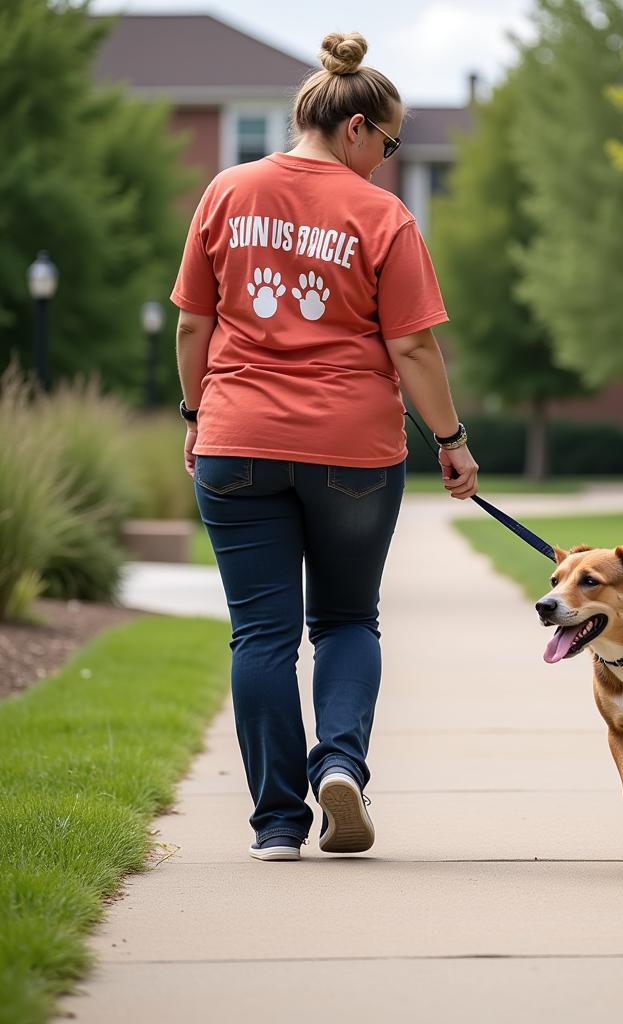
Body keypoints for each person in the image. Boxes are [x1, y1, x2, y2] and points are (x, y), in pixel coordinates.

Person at [171, 31, 479, 862]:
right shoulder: (383, 215)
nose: (386, 158)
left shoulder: (227, 190)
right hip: (352, 449)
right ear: (355, 129)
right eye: (388, 141)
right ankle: (339, 763)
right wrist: (451, 440)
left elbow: (194, 322)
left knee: (260, 635)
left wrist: (198, 416)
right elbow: (413, 348)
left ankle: (277, 824)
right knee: (345, 618)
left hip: (237, 438)